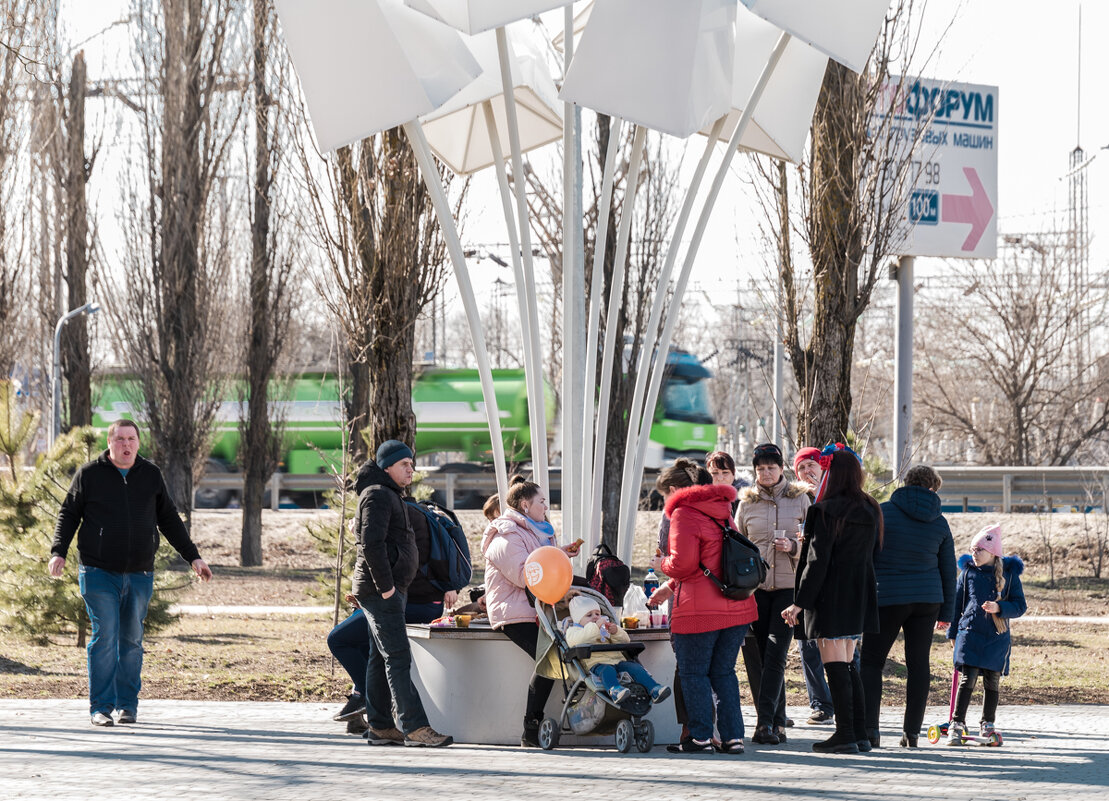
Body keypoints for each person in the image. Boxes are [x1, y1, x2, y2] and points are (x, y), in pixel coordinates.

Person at [48, 419, 213, 727]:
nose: (126, 445)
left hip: (139, 573)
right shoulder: (90, 475)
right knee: (106, 635)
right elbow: (68, 513)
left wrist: (194, 557)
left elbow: (169, 520)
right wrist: (59, 551)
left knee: (132, 639)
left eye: (131, 439)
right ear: (110, 443)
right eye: (120, 439)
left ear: (138, 443)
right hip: (98, 570)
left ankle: (127, 706)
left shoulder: (150, 475)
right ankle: (100, 707)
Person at [650, 460, 758, 755]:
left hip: (699, 610)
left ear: (673, 490)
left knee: (694, 673)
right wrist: (669, 587)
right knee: (724, 673)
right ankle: (733, 737)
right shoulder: (721, 508)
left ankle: (700, 737)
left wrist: (660, 565)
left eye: (664, 496)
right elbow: (719, 559)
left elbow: (683, 565)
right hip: (736, 606)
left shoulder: (683, 513)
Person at [782, 443, 882, 754]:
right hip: (859, 593)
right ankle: (860, 732)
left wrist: (800, 602)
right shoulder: (871, 508)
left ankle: (845, 734)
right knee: (850, 662)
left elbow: (817, 562)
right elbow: (875, 554)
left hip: (830, 596)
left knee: (835, 663)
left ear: (832, 474)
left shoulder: (823, 511)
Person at [352, 439, 452, 747]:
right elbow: (371, 545)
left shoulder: (387, 493)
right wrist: (386, 589)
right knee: (397, 657)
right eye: (404, 465)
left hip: (385, 590)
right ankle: (414, 726)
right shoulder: (378, 495)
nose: (411, 469)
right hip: (382, 592)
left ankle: (381, 725)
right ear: (387, 467)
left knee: (378, 658)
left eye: (412, 463)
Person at [860, 465, 957, 748]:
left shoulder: (882, 511)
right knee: (918, 664)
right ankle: (912, 733)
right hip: (927, 600)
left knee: (871, 662)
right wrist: (947, 613)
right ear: (933, 489)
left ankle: (870, 731)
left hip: (888, 597)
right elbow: (948, 570)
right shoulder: (940, 522)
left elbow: (867, 555)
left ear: (906, 483)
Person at [481, 475, 581, 747]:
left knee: (558, 657)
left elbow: (537, 563)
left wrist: (560, 553)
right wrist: (554, 559)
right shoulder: (505, 534)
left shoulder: (534, 531)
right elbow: (526, 575)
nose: (546, 507)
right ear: (525, 505)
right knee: (550, 659)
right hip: (514, 612)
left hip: (535, 608)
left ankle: (536, 726)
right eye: (542, 502)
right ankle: (531, 727)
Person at [736, 442, 810, 746]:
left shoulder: (801, 500)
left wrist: (794, 548)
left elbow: (815, 547)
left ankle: (764, 723)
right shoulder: (746, 503)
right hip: (756, 590)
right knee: (762, 657)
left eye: (771, 467)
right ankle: (778, 722)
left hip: (789, 590)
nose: (766, 473)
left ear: (782, 469)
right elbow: (738, 548)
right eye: (761, 468)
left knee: (777, 653)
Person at [945, 524, 1026, 745]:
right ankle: (957, 723)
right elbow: (956, 604)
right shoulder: (968, 573)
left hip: (996, 638)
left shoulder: (1009, 576)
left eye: (979, 550)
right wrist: (952, 632)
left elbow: (1020, 605)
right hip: (970, 634)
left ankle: (987, 723)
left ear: (993, 553)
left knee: (992, 681)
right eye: (972, 549)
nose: (974, 554)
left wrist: (1000, 608)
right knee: (967, 678)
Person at [791, 446, 835, 725]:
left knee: (841, 643)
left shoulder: (835, 498)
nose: (808, 472)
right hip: (801, 578)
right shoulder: (793, 499)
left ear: (823, 468)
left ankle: (850, 700)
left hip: (833, 583)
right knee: (807, 645)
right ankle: (820, 703)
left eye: (812, 465)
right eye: (802, 468)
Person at [564, 595, 671, 704]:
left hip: (617, 661)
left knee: (635, 667)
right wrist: (595, 627)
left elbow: (625, 641)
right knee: (607, 670)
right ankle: (615, 690)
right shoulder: (574, 630)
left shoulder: (604, 629)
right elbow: (578, 640)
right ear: (578, 619)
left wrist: (615, 632)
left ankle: (654, 689)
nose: (595, 617)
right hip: (595, 663)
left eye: (597, 613)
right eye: (589, 615)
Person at [705, 450, 749, 517]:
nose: (720, 478)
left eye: (725, 472)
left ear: (733, 473)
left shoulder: (747, 500)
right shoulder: (701, 501)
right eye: (714, 473)